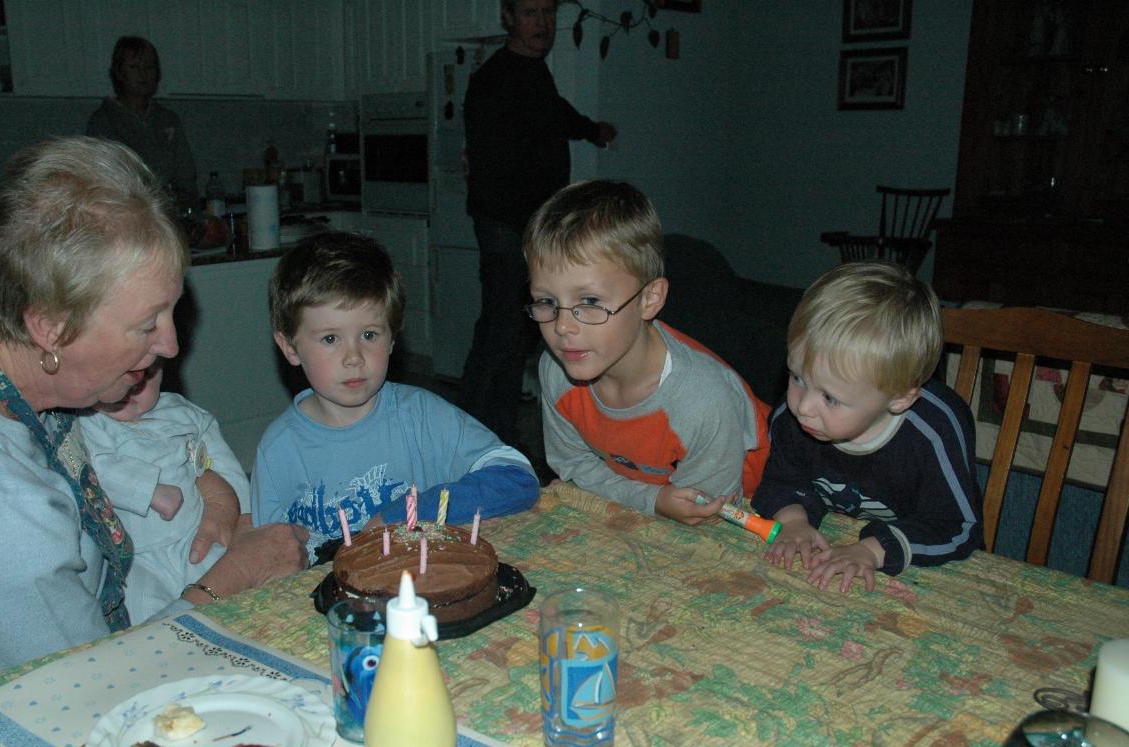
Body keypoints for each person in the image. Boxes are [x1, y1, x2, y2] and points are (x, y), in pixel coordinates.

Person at [0, 136, 307, 724]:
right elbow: (95, 690)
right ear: (49, 329)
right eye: (146, 325)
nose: (170, 345)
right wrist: (235, 577)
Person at [252, 231, 540, 560]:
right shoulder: (278, 451)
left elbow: (518, 478)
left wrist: (404, 513)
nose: (354, 357)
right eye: (330, 339)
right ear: (290, 346)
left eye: (369, 335)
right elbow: (266, 558)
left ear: (392, 339)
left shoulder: (423, 416)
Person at [526, 180, 771, 524]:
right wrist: (651, 499)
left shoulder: (703, 400)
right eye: (547, 301)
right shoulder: (556, 370)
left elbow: (704, 515)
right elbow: (574, 467)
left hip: (746, 508)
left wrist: (650, 501)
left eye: (590, 301)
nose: (563, 327)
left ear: (650, 299)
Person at [751, 262, 983, 594]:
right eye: (797, 377)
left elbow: (958, 527)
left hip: (921, 574)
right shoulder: (792, 417)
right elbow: (780, 480)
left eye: (830, 397)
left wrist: (872, 551)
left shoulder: (935, 430)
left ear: (900, 398)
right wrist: (793, 520)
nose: (802, 406)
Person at [457, 0, 617, 449]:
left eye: (548, 13)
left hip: (533, 229)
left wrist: (592, 129)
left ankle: (497, 438)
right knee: (502, 332)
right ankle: (467, 439)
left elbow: (554, 113)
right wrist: (530, 236)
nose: (542, 23)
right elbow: (488, 167)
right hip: (508, 228)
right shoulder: (491, 80)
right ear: (508, 18)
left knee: (519, 332)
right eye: (530, 13)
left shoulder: (535, 74)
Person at [80, 361, 250, 625]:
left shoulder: (182, 412)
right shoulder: (89, 421)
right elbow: (94, 468)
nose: (130, 391)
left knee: (238, 585)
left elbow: (222, 463)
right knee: (148, 613)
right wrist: (149, 489)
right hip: (136, 558)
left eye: (145, 377)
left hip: (193, 537)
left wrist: (241, 516)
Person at [86, 36, 197, 209]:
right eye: (134, 67)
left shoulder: (168, 120)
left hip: (167, 214)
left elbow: (186, 179)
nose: (143, 73)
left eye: (149, 66)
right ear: (119, 73)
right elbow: (101, 179)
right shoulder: (103, 121)